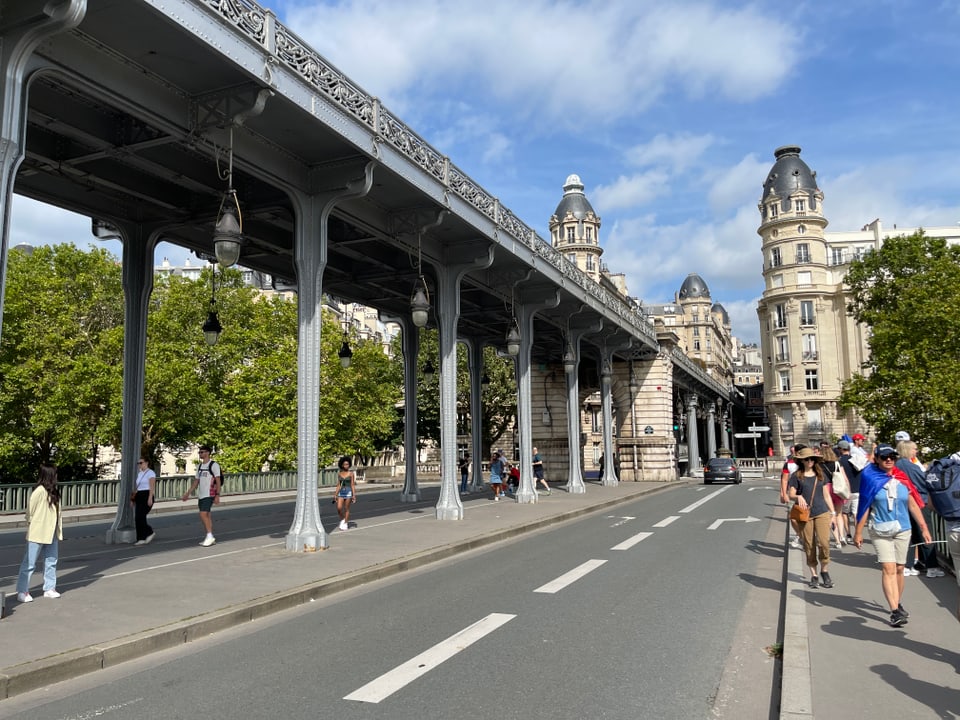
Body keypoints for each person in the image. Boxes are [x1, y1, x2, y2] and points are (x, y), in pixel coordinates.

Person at [854, 444, 932, 627]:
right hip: (880, 529)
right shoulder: (870, 477)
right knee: (888, 568)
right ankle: (895, 611)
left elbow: (912, 505)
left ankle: (897, 601)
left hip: (903, 529)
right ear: (878, 459)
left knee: (899, 568)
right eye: (884, 457)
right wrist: (858, 532)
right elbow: (865, 505)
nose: (889, 459)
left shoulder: (901, 478)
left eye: (892, 456)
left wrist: (924, 528)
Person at [788, 447, 837, 589]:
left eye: (812, 459)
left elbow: (826, 494)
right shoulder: (796, 476)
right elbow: (791, 494)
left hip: (822, 511)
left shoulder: (820, 474)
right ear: (801, 461)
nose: (810, 461)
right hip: (805, 514)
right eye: (807, 459)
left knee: (824, 543)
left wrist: (833, 513)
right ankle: (814, 574)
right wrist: (798, 496)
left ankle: (824, 571)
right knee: (809, 544)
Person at [895, 439, 943, 578]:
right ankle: (931, 566)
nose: (916, 451)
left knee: (909, 534)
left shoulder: (897, 465)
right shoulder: (911, 466)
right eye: (914, 449)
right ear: (908, 450)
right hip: (919, 501)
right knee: (925, 533)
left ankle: (909, 564)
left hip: (902, 503)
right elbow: (924, 482)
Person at [16, 463, 63, 602]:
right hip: (38, 532)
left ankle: (49, 588)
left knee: (51, 561)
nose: (57, 476)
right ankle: (22, 591)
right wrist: (33, 524)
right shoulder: (39, 491)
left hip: (52, 532)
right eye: (55, 474)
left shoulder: (54, 491)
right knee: (29, 563)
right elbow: (30, 511)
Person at [181, 444, 222, 546]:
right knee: (207, 515)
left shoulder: (214, 465)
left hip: (210, 493)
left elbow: (218, 480)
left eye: (202, 452)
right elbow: (196, 481)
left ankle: (209, 535)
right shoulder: (199, 466)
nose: (200, 454)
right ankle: (209, 536)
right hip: (202, 494)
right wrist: (188, 493)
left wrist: (217, 495)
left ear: (208, 453)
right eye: (199, 452)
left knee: (203, 514)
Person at [820, 445, 848, 548]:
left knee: (831, 515)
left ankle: (837, 541)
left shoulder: (819, 465)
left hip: (825, 489)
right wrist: (847, 489)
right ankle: (842, 536)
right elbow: (844, 477)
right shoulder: (837, 463)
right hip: (837, 488)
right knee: (839, 514)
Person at [781, 444, 807, 548]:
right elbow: (784, 479)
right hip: (793, 494)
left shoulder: (809, 462)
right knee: (793, 518)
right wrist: (784, 494)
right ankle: (800, 535)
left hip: (807, 494)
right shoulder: (789, 464)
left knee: (806, 518)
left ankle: (806, 538)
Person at [836, 440, 862, 543]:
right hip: (857, 489)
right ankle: (857, 533)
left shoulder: (839, 461)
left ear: (840, 449)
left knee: (845, 513)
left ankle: (849, 534)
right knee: (856, 513)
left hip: (845, 491)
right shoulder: (856, 459)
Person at [132, 456, 157, 546]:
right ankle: (141, 538)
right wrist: (133, 499)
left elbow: (151, 486)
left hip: (147, 494)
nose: (139, 465)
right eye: (138, 463)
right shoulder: (140, 473)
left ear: (146, 463)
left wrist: (150, 497)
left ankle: (149, 532)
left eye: (141, 463)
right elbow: (137, 487)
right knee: (138, 518)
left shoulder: (151, 473)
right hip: (139, 495)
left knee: (140, 516)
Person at [335, 456, 357, 530]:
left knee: (346, 508)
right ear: (342, 465)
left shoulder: (351, 474)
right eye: (345, 464)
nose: (346, 466)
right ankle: (343, 519)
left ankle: (345, 523)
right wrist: (335, 494)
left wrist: (354, 495)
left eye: (347, 464)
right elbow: (338, 485)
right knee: (339, 508)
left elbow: (352, 485)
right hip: (341, 492)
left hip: (348, 492)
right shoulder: (339, 474)